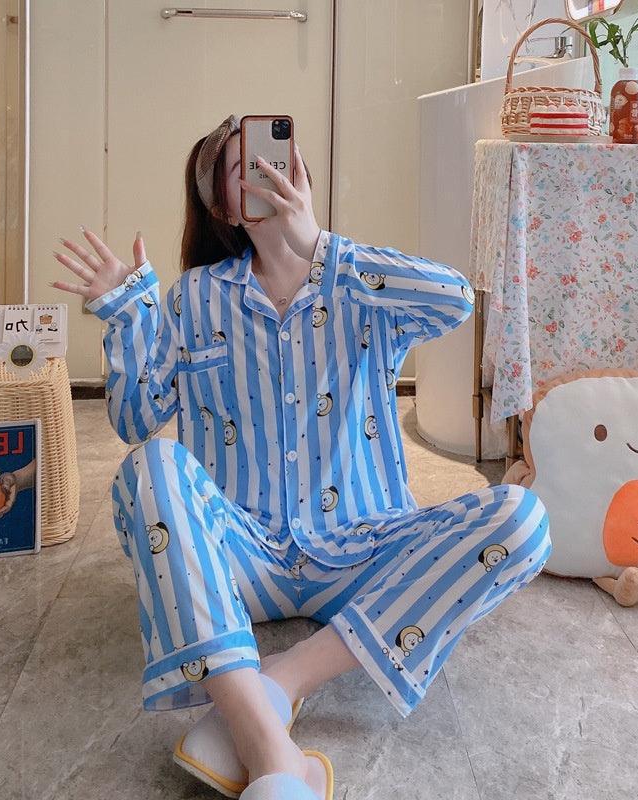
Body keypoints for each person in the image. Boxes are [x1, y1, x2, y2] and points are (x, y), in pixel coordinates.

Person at [49, 114, 551, 800]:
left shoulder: (358, 283)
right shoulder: (196, 297)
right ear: (224, 208)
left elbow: (457, 301)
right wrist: (126, 312)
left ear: (303, 174)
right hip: (244, 558)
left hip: (364, 550)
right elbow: (136, 420)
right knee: (149, 470)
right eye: (244, 168)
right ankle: (271, 752)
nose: (269, 171)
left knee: (523, 521)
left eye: (278, 157)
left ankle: (279, 681)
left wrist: (318, 247)